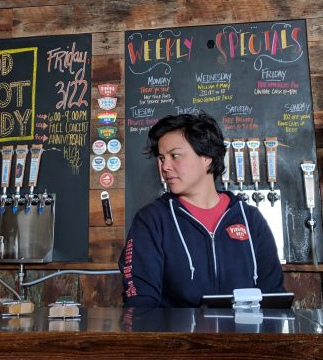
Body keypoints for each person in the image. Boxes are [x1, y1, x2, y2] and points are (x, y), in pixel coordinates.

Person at [119, 112, 285, 308]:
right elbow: (140, 303)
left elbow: (274, 297)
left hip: (245, 328)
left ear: (207, 157)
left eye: (175, 156)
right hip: (175, 330)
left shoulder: (250, 219)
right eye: (162, 158)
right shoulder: (151, 221)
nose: (165, 166)